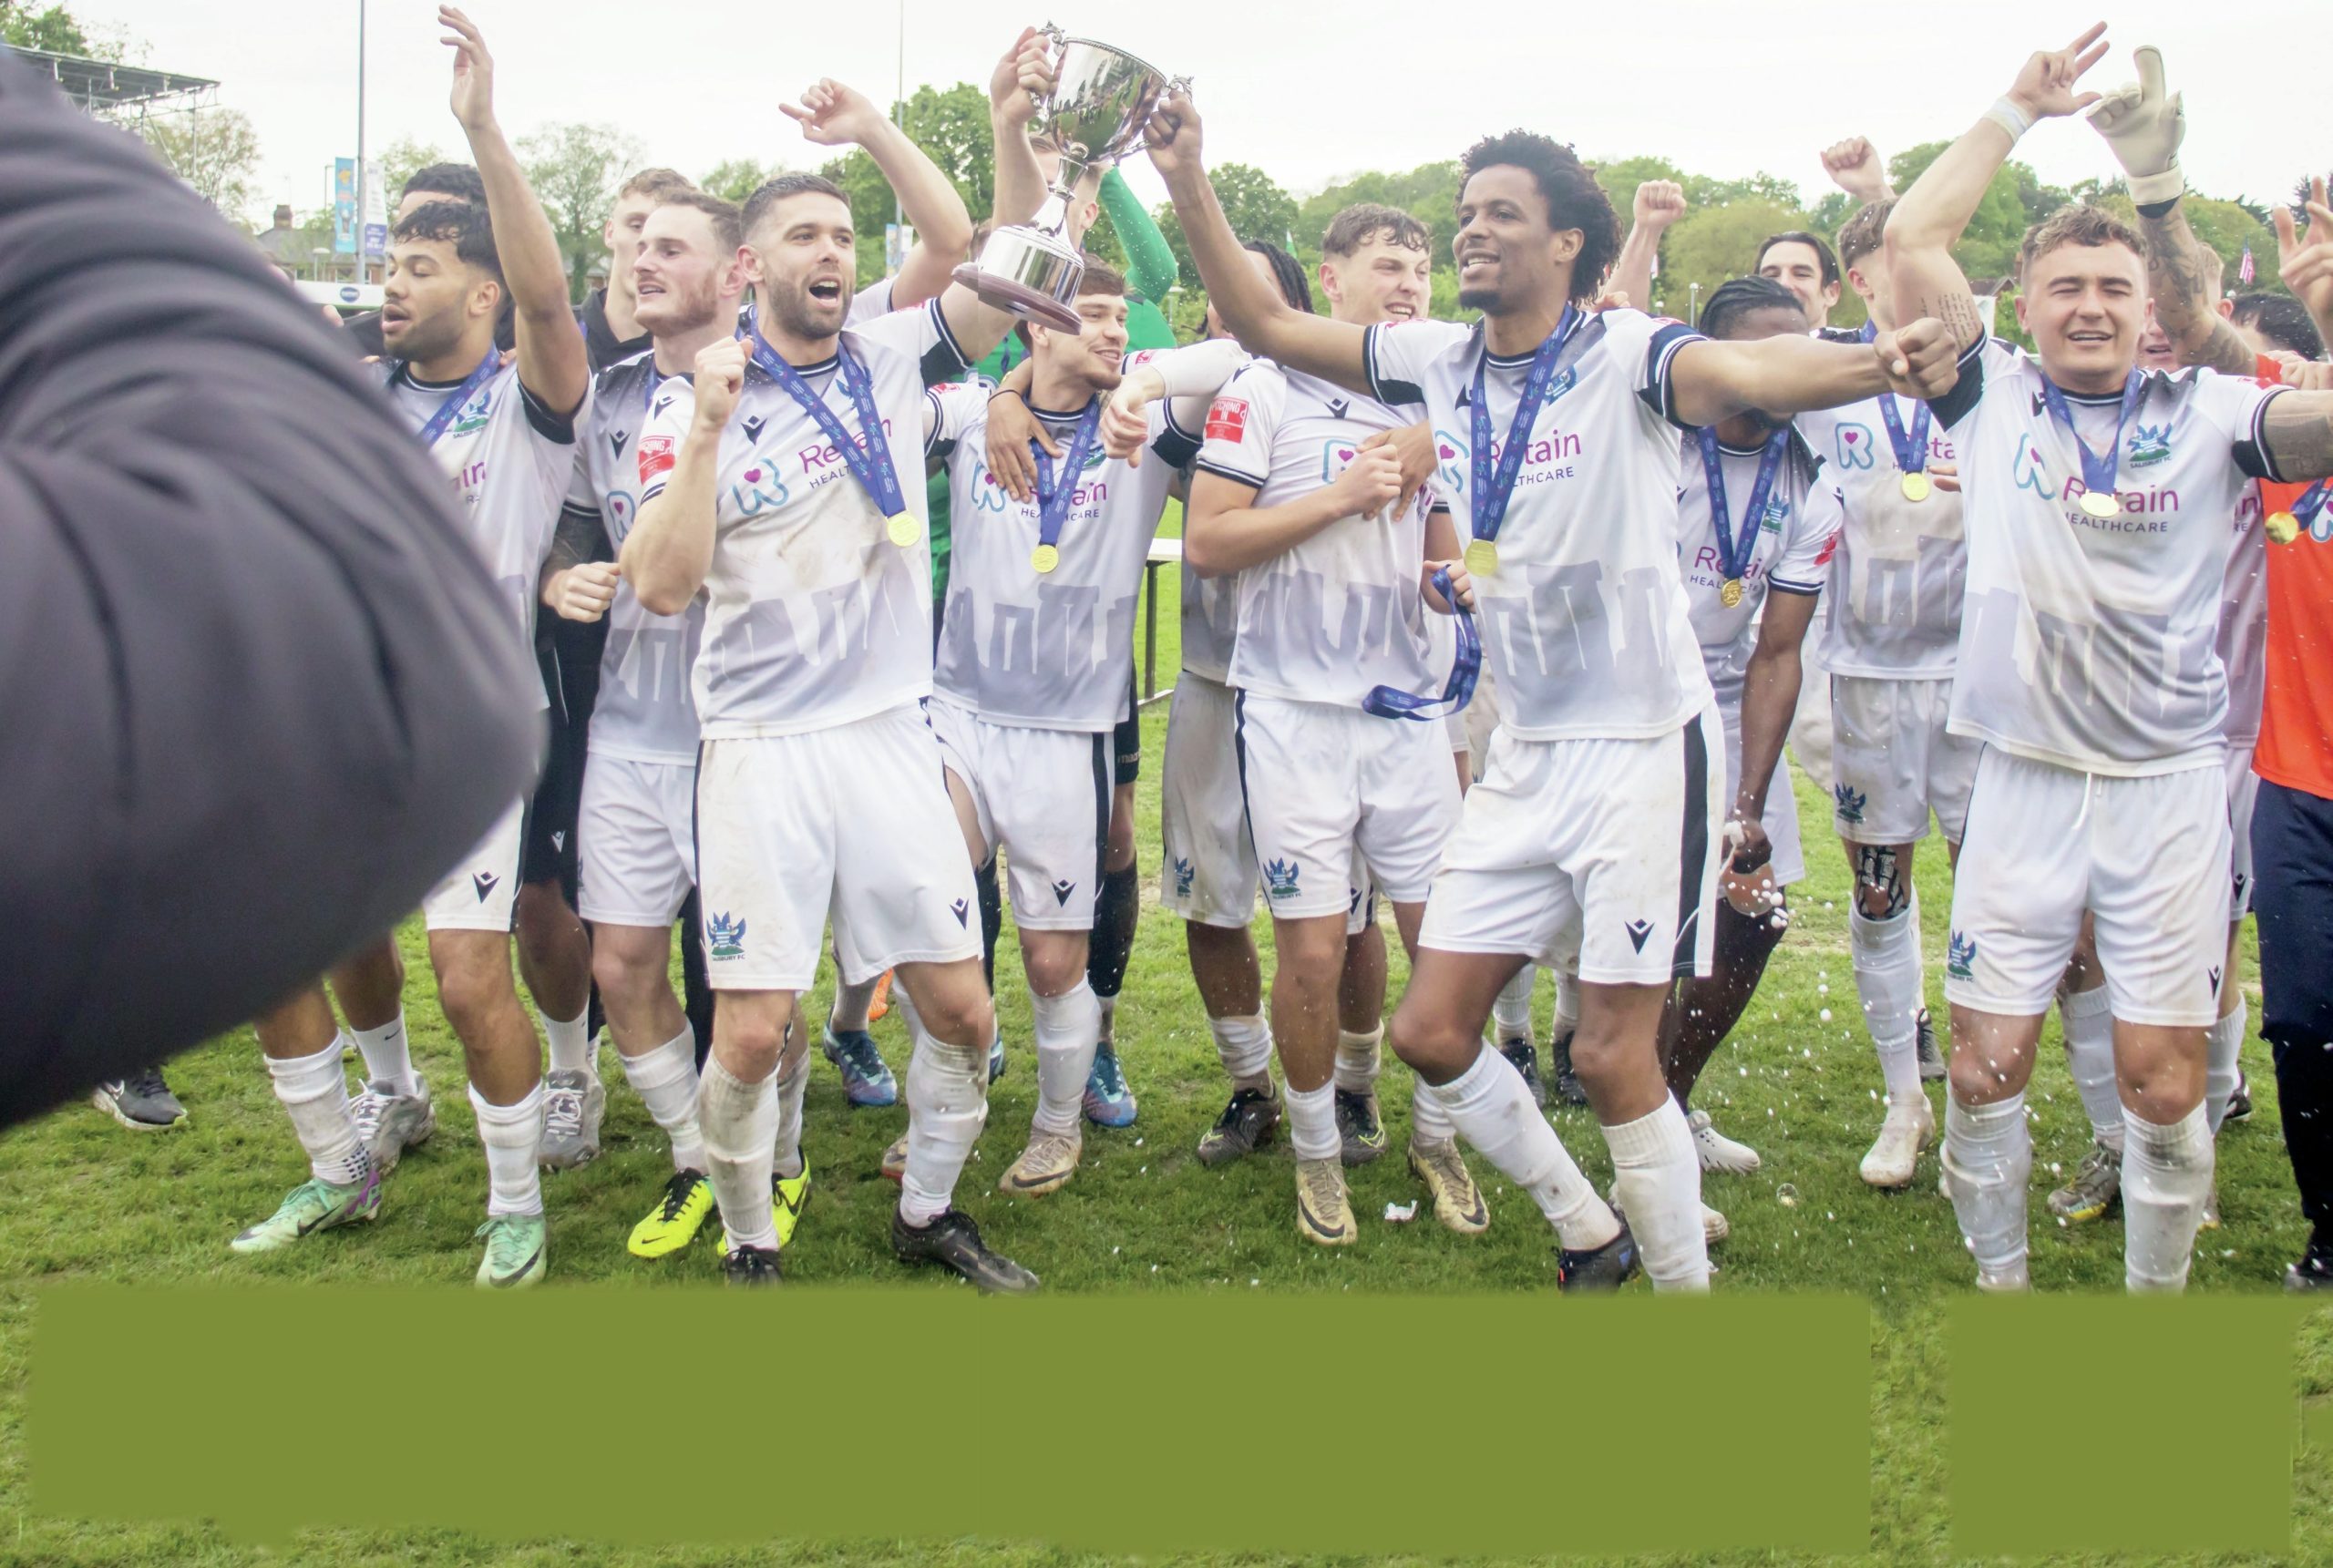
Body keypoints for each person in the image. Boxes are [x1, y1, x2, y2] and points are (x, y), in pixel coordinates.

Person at [1146, 96, 1961, 1292]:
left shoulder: (1628, 353)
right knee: (1431, 1030)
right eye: (1465, 212)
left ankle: (1680, 1291)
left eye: (1501, 214)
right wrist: (1186, 174)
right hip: (1525, 751)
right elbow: (1266, 321)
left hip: (1640, 745)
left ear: (1567, 242)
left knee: (1614, 1052)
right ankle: (1590, 1229)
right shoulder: (1434, 360)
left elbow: (1748, 366)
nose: (1471, 231)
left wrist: (1873, 361)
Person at [1886, 27, 2333, 1291]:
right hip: (2023, 779)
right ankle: (2001, 1287)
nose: (2089, 306)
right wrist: (2013, 109)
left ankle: (2151, 1310)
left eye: (2114, 288)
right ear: (2024, 305)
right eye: (2065, 286)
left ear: (2150, 310)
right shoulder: (1991, 396)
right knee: (1984, 1065)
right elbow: (1914, 237)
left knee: (2164, 1079)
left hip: (2169, 790)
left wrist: (2164, 193)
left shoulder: (2215, 411)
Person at [621, 77, 1046, 1284]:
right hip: (759, 746)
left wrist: (872, 131)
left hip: (889, 735)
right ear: (747, 267)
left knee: (962, 1010)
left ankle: (927, 1212)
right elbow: (661, 586)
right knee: (753, 1031)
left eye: (845, 236)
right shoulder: (685, 406)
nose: (830, 253)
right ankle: (749, 1235)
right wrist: (709, 433)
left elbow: (969, 242)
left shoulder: (892, 353)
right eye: (804, 235)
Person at [305, 7, 591, 1287]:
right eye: (390, 265)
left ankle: (515, 1204)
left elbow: (549, 297)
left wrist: (482, 131)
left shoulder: (526, 409)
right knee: (332, 936)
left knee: (472, 978)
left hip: (475, 724)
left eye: (420, 267)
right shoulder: (353, 401)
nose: (392, 284)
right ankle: (387, 1103)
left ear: (480, 295)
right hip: (352, 722)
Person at [1181, 202, 1490, 1243]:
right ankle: (1316, 1155)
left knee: (1445, 944)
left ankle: (1437, 1136)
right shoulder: (1264, 387)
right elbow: (1209, 543)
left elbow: (1442, 551)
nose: (1410, 285)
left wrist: (1455, 581)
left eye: (1421, 269)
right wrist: (1340, 495)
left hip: (1405, 717)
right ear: (1332, 278)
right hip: (1293, 718)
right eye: (1388, 265)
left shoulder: (1430, 397)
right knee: (1312, 957)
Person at [923, 270, 1235, 1198]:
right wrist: (1002, 396)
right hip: (959, 716)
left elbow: (1238, 357)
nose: (1113, 330)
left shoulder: (1141, 424)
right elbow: (900, 383)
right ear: (1035, 329)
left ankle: (1056, 1127)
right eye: (1088, 315)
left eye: (1117, 317)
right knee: (934, 926)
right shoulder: (973, 415)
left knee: (1052, 958)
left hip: (1069, 731)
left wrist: (1143, 383)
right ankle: (937, 1113)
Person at [544, 189, 750, 1261]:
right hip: (628, 727)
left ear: (734, 270)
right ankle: (695, 1159)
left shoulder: (780, 386)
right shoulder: (608, 398)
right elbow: (572, 535)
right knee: (620, 964)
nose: (643, 262)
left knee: (750, 980)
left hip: (744, 733)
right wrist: (559, 580)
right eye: (639, 247)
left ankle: (771, 1163)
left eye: (672, 248)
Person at [1659, 275, 1845, 1243]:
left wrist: (1746, 805)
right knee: (1649, 931)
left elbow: (1777, 651)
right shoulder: (1660, 446)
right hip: (1635, 697)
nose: (1788, 369)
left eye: (1801, 348)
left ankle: (1669, 1101)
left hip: (1731, 699)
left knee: (1754, 918)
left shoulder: (1811, 475)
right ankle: (1638, 1140)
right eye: (1766, 350)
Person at [1792, 197, 1968, 1188]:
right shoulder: (1829, 383)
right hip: (1867, 678)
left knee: (1999, 892)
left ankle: (1984, 1101)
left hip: (1980, 678)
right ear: (1860, 283)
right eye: (1904, 261)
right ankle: (1905, 1099)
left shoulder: (1991, 380)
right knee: (1877, 889)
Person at [342, 162, 491, 358]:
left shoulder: (523, 352)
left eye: (440, 219)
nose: (416, 234)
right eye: (405, 228)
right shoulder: (350, 344)